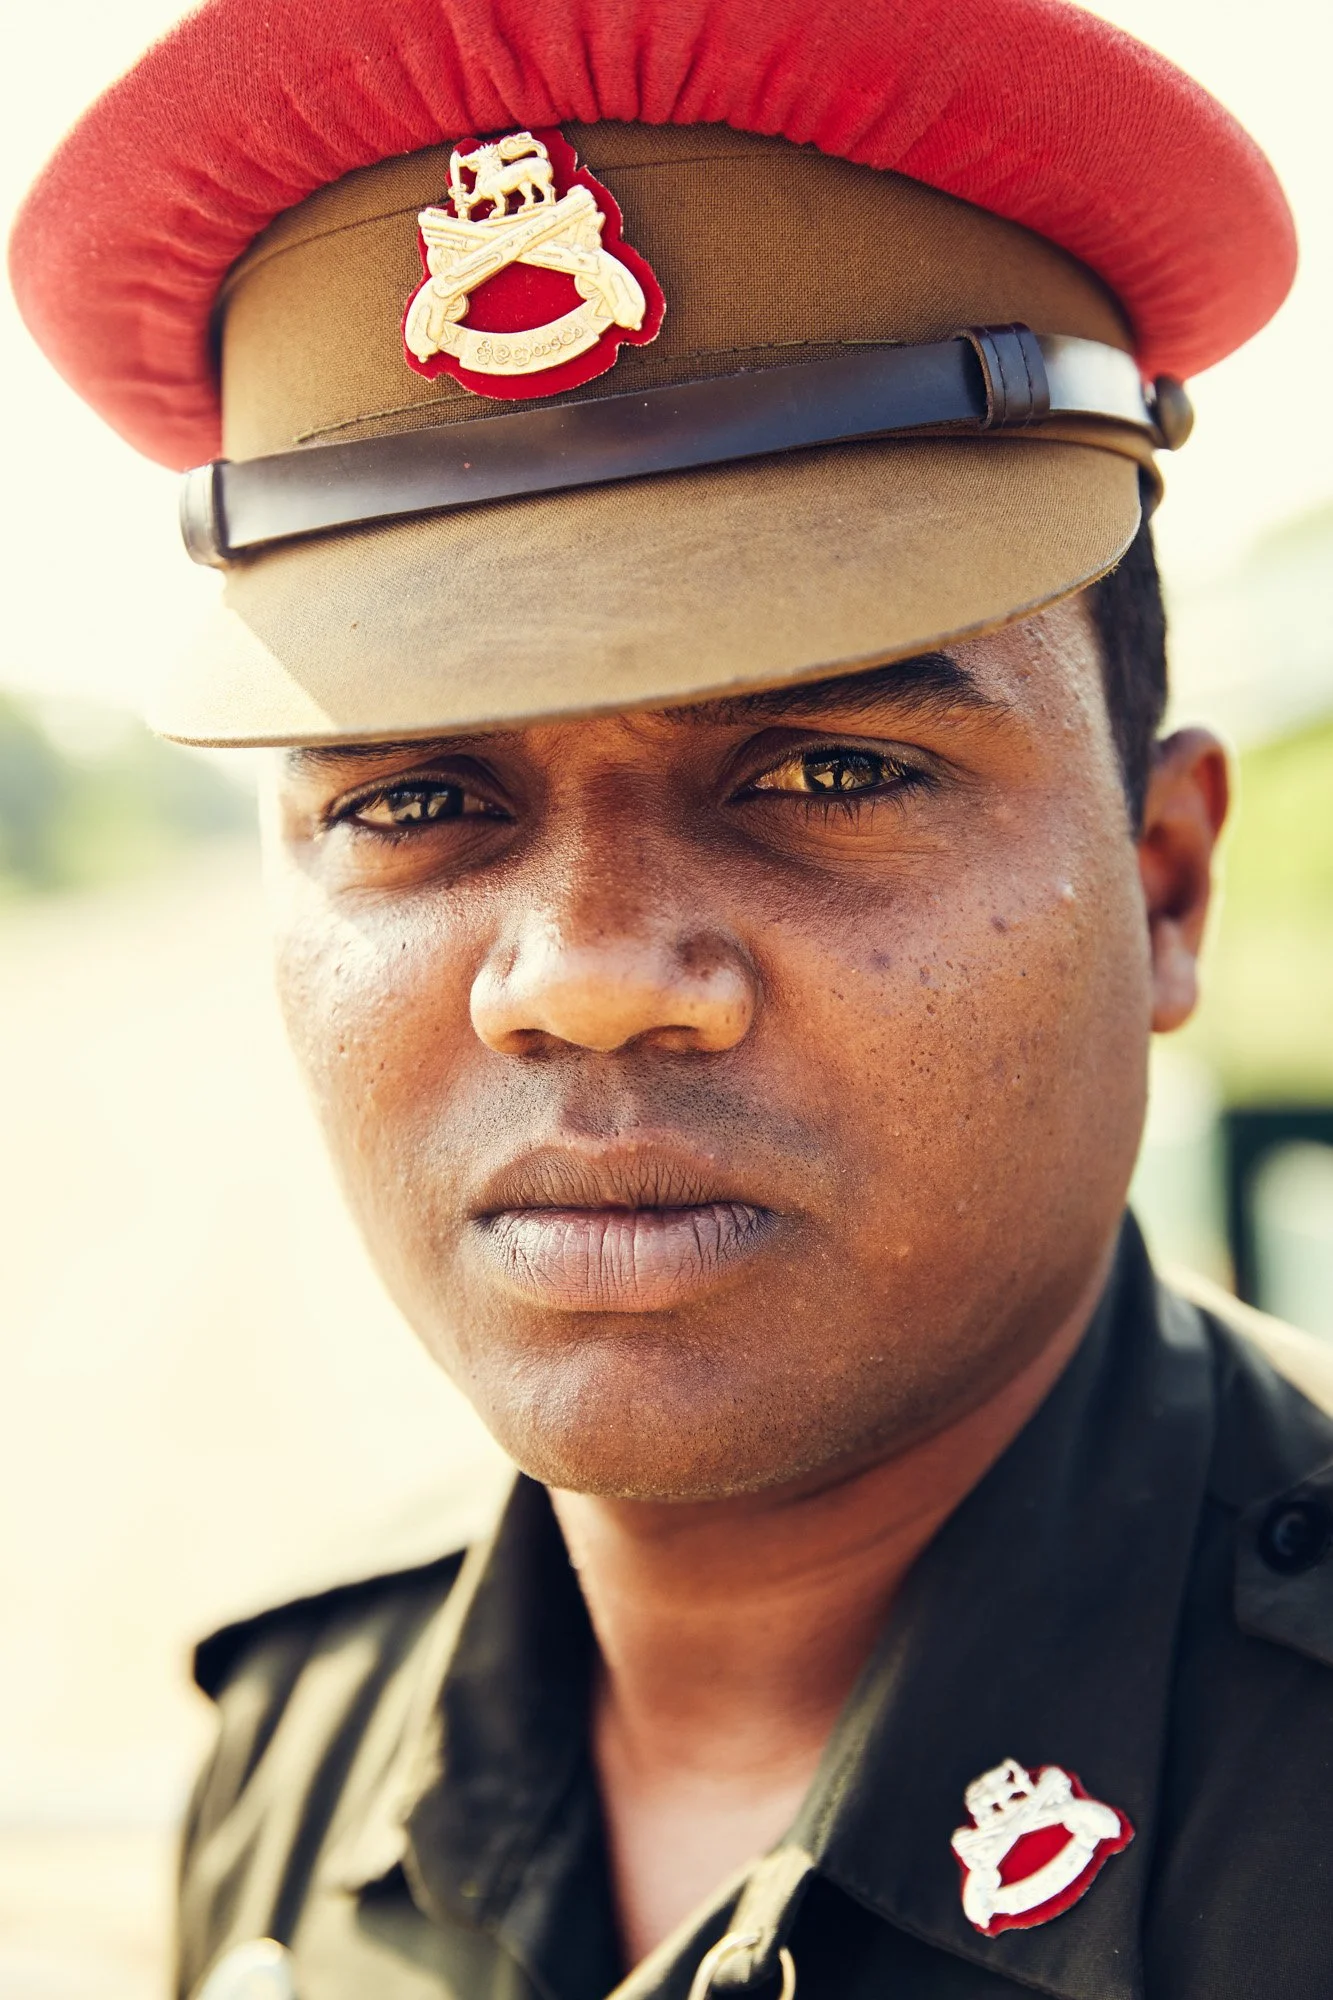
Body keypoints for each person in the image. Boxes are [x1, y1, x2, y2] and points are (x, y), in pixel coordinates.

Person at [11, 1, 1333, 1995]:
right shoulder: (304, 1767)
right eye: (420, 797)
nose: (592, 974)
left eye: (826, 768)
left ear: (1165, 880)